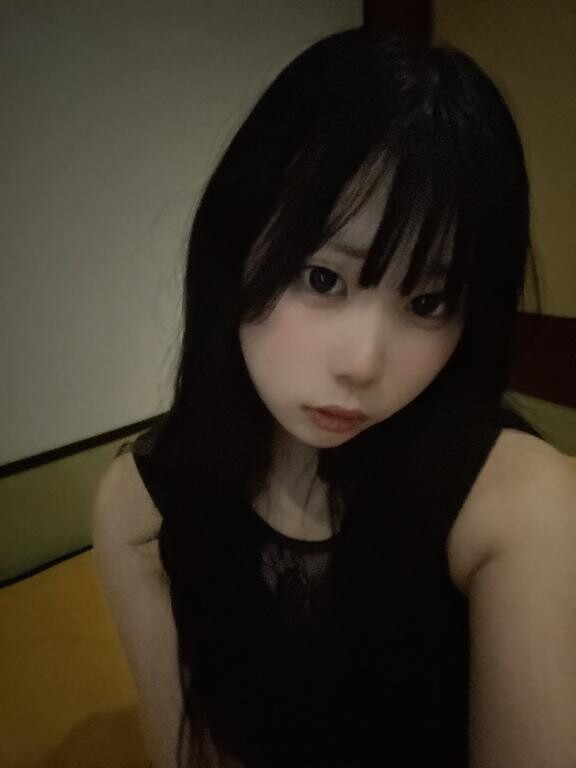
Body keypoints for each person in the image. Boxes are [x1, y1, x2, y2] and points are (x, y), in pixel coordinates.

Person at [91, 26, 576, 768]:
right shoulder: (139, 507)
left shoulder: (520, 505)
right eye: (323, 279)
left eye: (428, 301)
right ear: (234, 249)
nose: (363, 364)